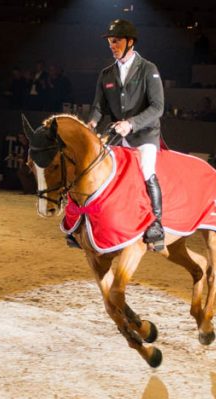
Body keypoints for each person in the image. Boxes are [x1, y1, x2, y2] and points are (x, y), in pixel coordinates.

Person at [87, 19, 166, 250]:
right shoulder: (106, 74)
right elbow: (98, 106)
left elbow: (158, 107)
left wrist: (131, 124)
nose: (112, 45)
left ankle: (156, 225)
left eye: (116, 41)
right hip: (116, 135)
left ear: (130, 41)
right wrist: (91, 122)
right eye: (110, 42)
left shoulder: (148, 69)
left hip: (144, 134)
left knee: (147, 170)